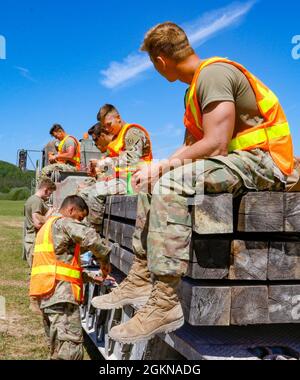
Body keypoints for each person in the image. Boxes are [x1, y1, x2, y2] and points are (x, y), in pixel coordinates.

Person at [92, 22, 295, 344]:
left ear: (160, 61)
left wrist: (166, 170)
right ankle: (142, 275)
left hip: (264, 162)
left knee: (171, 184)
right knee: (153, 180)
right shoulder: (195, 89)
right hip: (237, 162)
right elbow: (190, 149)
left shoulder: (213, 75)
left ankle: (165, 302)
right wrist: (157, 168)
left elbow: (215, 143)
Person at [29, 195, 111, 360]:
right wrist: (104, 260)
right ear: (71, 210)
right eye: (80, 218)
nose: (80, 222)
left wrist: (92, 278)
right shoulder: (64, 222)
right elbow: (90, 238)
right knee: (69, 351)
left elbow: (60, 267)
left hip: (48, 295)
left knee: (57, 350)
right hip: (62, 298)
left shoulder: (46, 228)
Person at [77, 104, 152, 231]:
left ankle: (95, 232)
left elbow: (132, 159)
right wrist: (97, 171)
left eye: (109, 124)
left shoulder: (132, 132)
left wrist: (104, 163)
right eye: (104, 127)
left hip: (134, 180)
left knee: (96, 193)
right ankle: (85, 227)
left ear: (118, 118)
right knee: (83, 193)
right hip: (121, 180)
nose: (107, 129)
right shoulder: (117, 139)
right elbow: (112, 165)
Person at [24, 178, 56, 267]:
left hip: (33, 238)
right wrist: (50, 212)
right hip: (34, 239)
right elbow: (37, 223)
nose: (49, 196)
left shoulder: (34, 200)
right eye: (50, 193)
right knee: (37, 269)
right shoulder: (36, 201)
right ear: (45, 190)